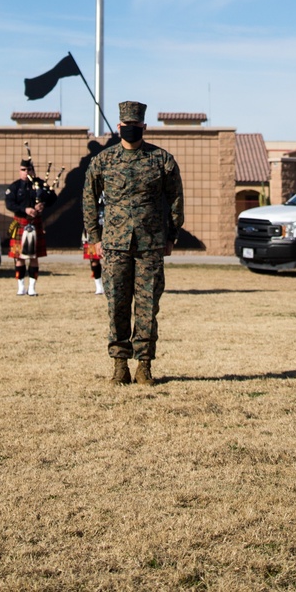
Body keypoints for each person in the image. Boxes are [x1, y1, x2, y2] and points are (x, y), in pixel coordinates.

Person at [83, 100, 184, 387]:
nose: (130, 131)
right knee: (116, 305)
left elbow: (176, 198)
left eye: (136, 127)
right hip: (114, 245)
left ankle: (144, 366)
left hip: (150, 245)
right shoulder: (103, 161)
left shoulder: (161, 160)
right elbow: (89, 199)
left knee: (147, 306)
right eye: (126, 127)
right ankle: (119, 366)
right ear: (118, 127)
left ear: (144, 127)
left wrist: (172, 235)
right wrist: (95, 237)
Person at [5, 157, 56, 296]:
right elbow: (9, 204)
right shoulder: (14, 187)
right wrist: (25, 209)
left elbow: (53, 198)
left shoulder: (40, 184)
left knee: (34, 257)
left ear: (33, 170)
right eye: (23, 169)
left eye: (29, 169)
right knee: (19, 257)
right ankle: (21, 287)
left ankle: (32, 288)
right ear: (19, 171)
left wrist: (43, 204)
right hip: (21, 222)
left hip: (35, 223)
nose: (26, 172)